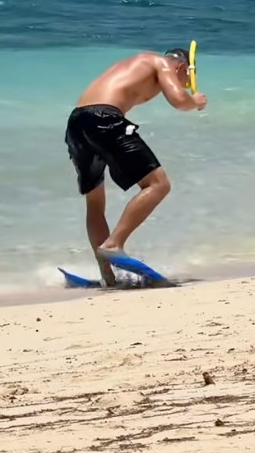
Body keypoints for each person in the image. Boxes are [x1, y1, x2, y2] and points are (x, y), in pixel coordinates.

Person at [64, 48, 207, 284]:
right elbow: (180, 101)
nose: (185, 83)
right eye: (188, 79)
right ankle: (113, 244)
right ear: (181, 68)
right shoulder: (160, 63)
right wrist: (195, 101)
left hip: (77, 121)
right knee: (159, 184)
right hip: (104, 118)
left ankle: (108, 276)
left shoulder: (134, 63)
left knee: (95, 201)